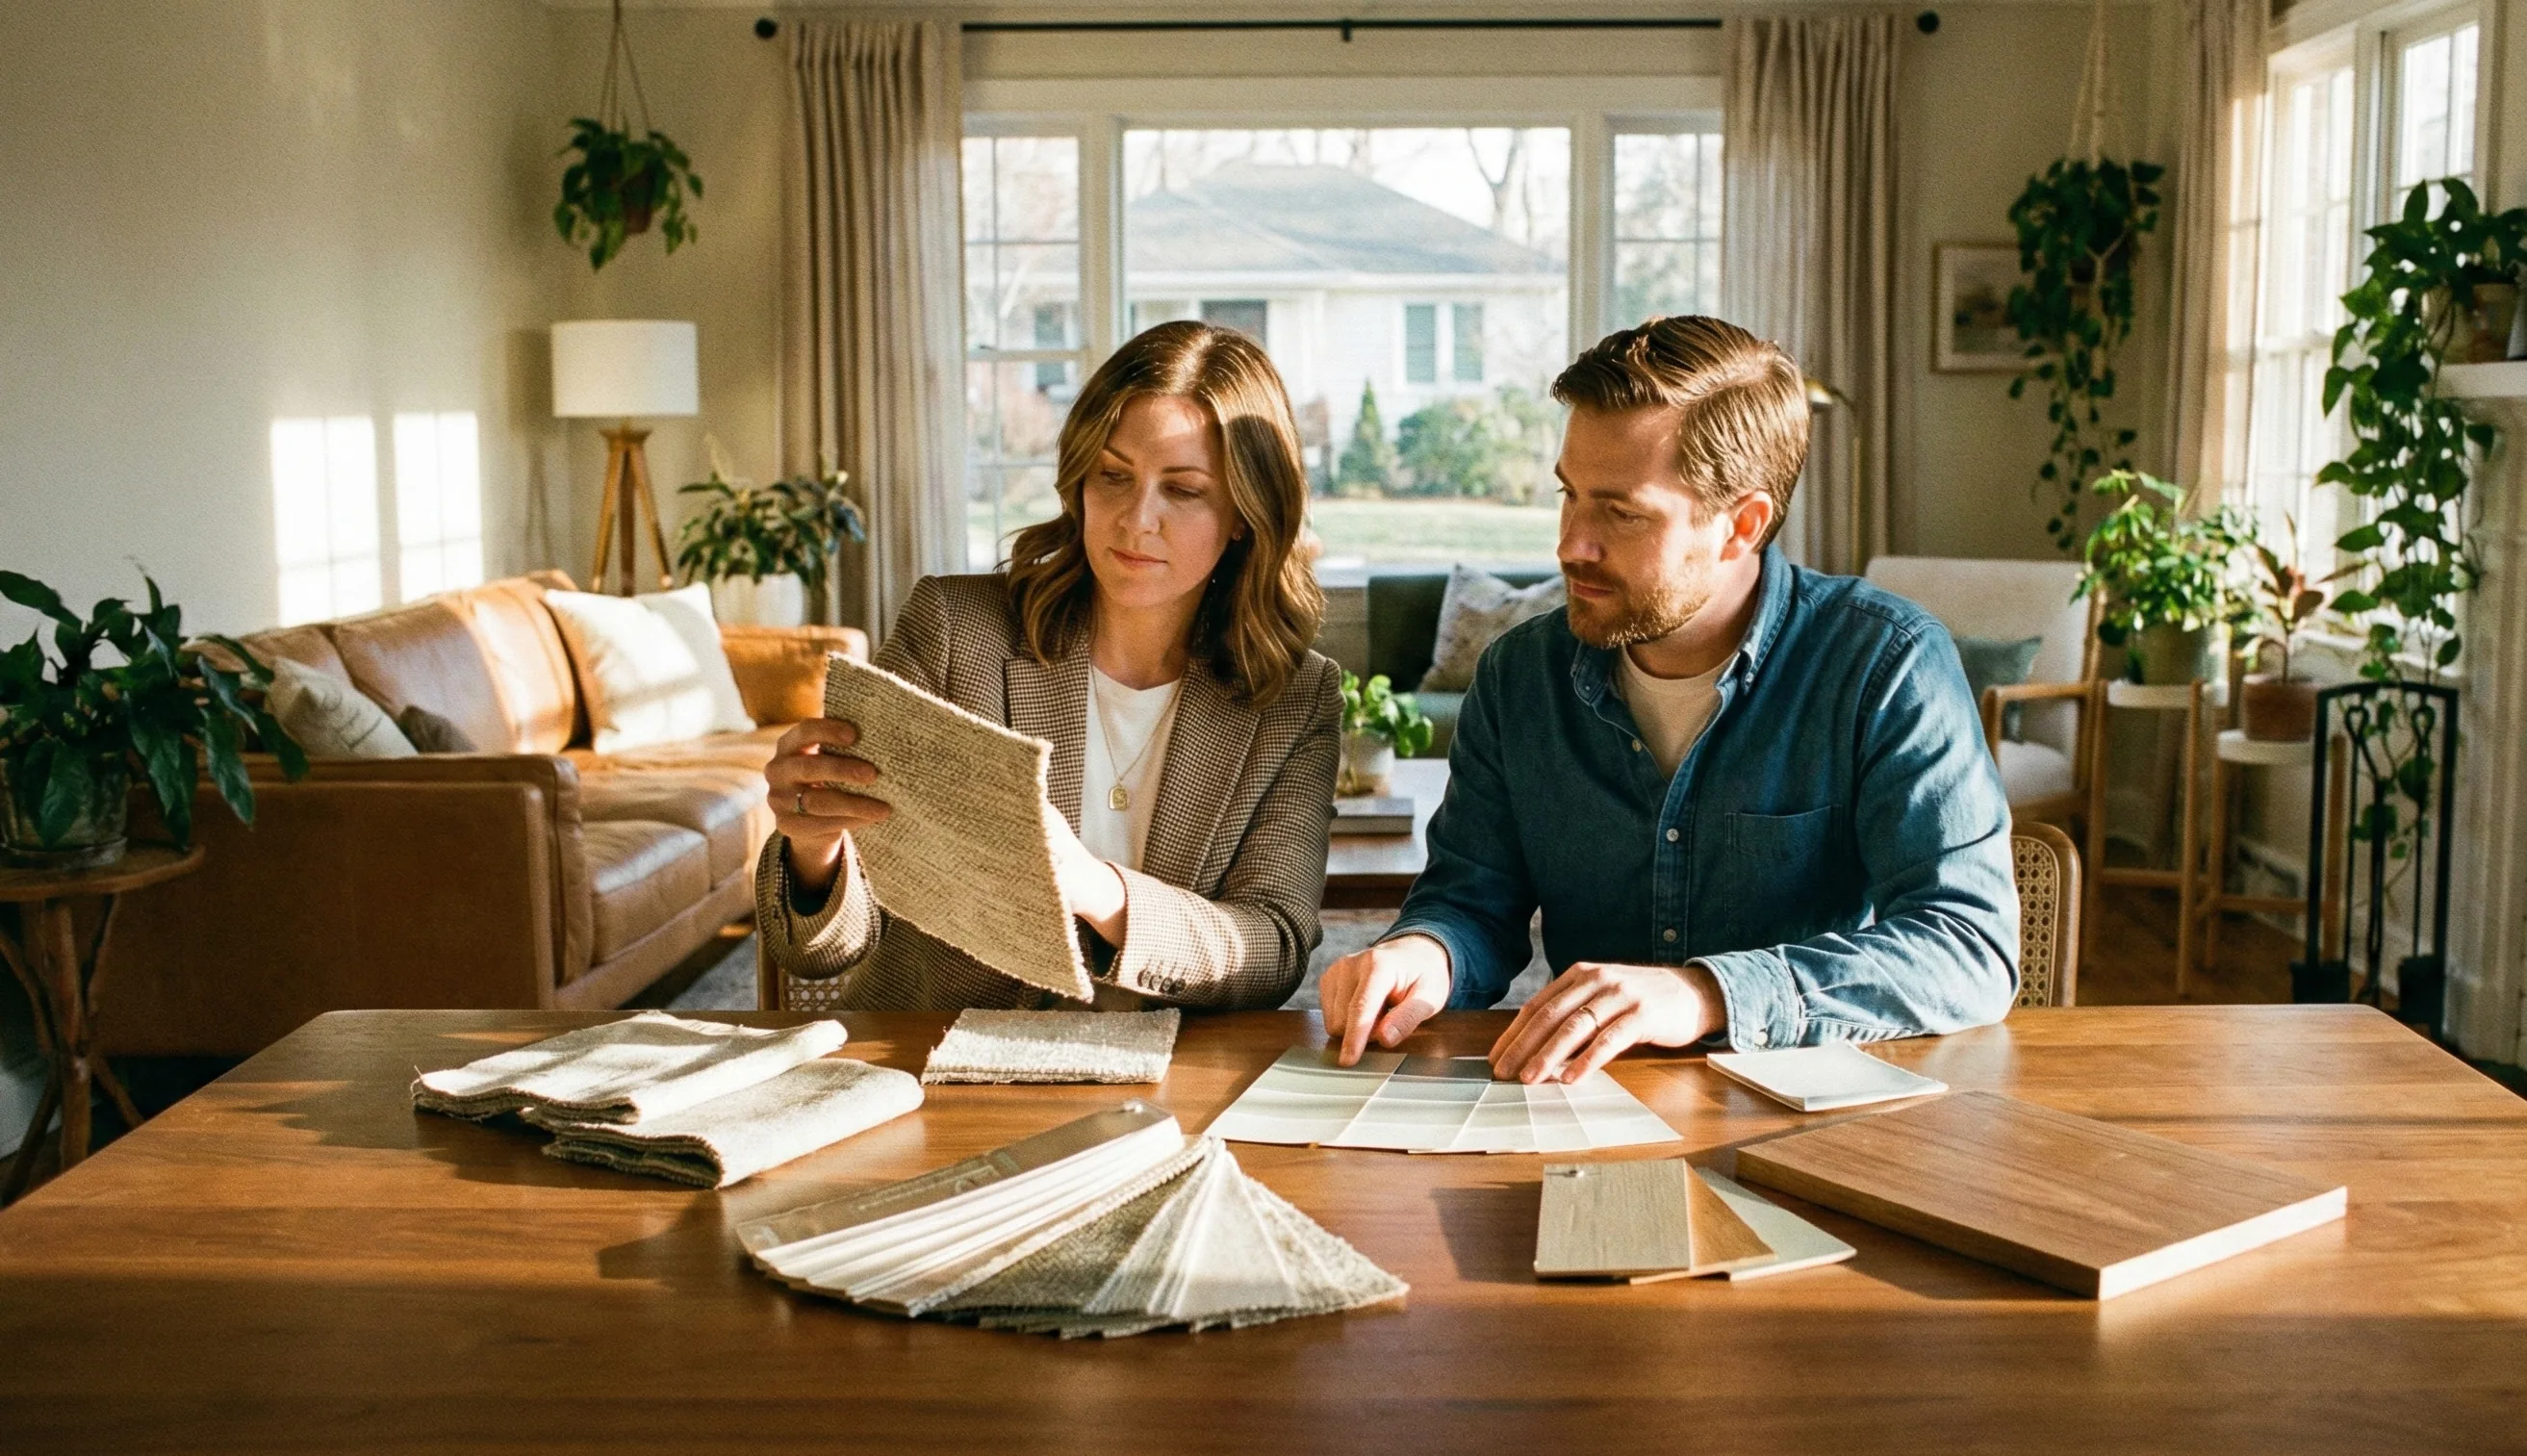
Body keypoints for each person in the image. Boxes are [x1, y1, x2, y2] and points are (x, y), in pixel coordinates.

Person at [1320, 315, 2018, 1081]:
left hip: (1806, 1117)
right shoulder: (1520, 677)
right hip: (1576, 1111)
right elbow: (1472, 903)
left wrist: (1706, 994)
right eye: (1569, 495)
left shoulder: (1884, 663)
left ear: (1739, 526)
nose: (1571, 544)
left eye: (1621, 513)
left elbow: (1967, 945)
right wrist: (1427, 953)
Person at [754, 320, 1340, 1009]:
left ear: (1245, 512)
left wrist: (1096, 887)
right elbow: (822, 949)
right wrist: (815, 850)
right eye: (1114, 475)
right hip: (937, 1071)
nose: (1135, 519)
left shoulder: (1297, 696)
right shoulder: (953, 630)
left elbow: (1271, 947)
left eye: (1182, 490)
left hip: (1162, 1079)